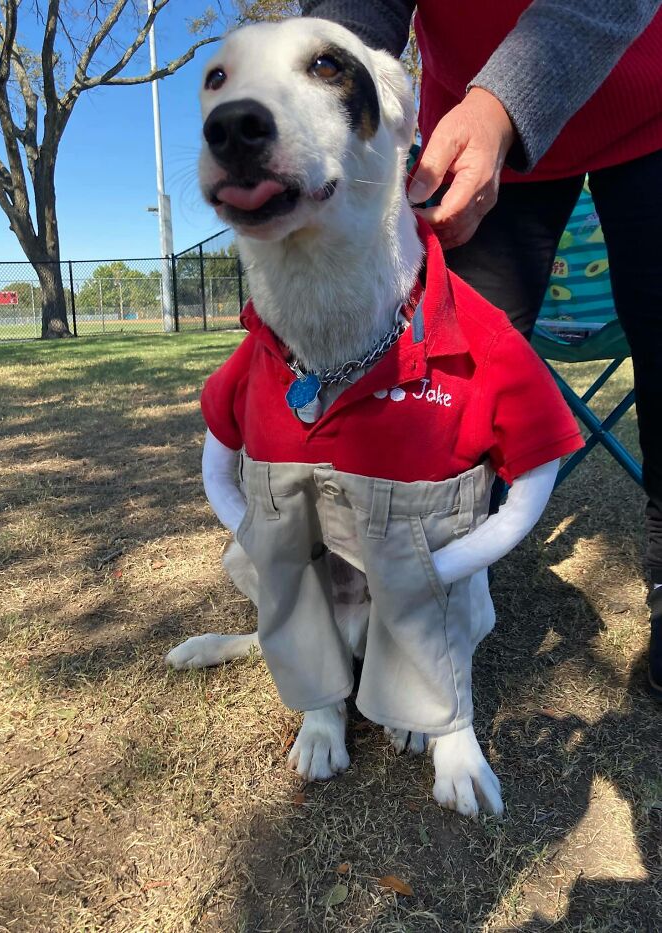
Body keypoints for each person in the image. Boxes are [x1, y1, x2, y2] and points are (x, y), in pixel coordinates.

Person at [301, 0, 662, 699]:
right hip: (470, 123)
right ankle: (424, 595)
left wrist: (503, 103)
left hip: (645, 107)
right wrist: (316, 88)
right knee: (452, 381)